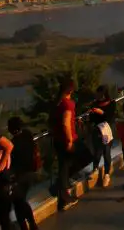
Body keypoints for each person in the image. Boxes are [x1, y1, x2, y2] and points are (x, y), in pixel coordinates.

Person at [50, 78, 79, 212]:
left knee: (64, 167)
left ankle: (62, 188)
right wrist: (70, 141)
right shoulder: (68, 104)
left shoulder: (57, 103)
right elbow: (66, 123)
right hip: (66, 140)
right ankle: (64, 197)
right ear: (71, 90)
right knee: (65, 168)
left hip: (57, 140)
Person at [6, 117, 39, 230]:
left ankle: (25, 226)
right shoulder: (28, 135)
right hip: (30, 172)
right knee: (21, 201)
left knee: (18, 202)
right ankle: (32, 223)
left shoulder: (14, 143)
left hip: (20, 175)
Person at [88, 86, 117, 186]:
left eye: (99, 94)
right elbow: (92, 119)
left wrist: (102, 112)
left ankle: (107, 174)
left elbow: (110, 117)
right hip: (97, 131)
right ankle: (95, 168)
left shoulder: (112, 104)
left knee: (106, 151)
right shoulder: (94, 104)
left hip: (107, 130)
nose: (98, 96)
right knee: (97, 151)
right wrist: (92, 114)